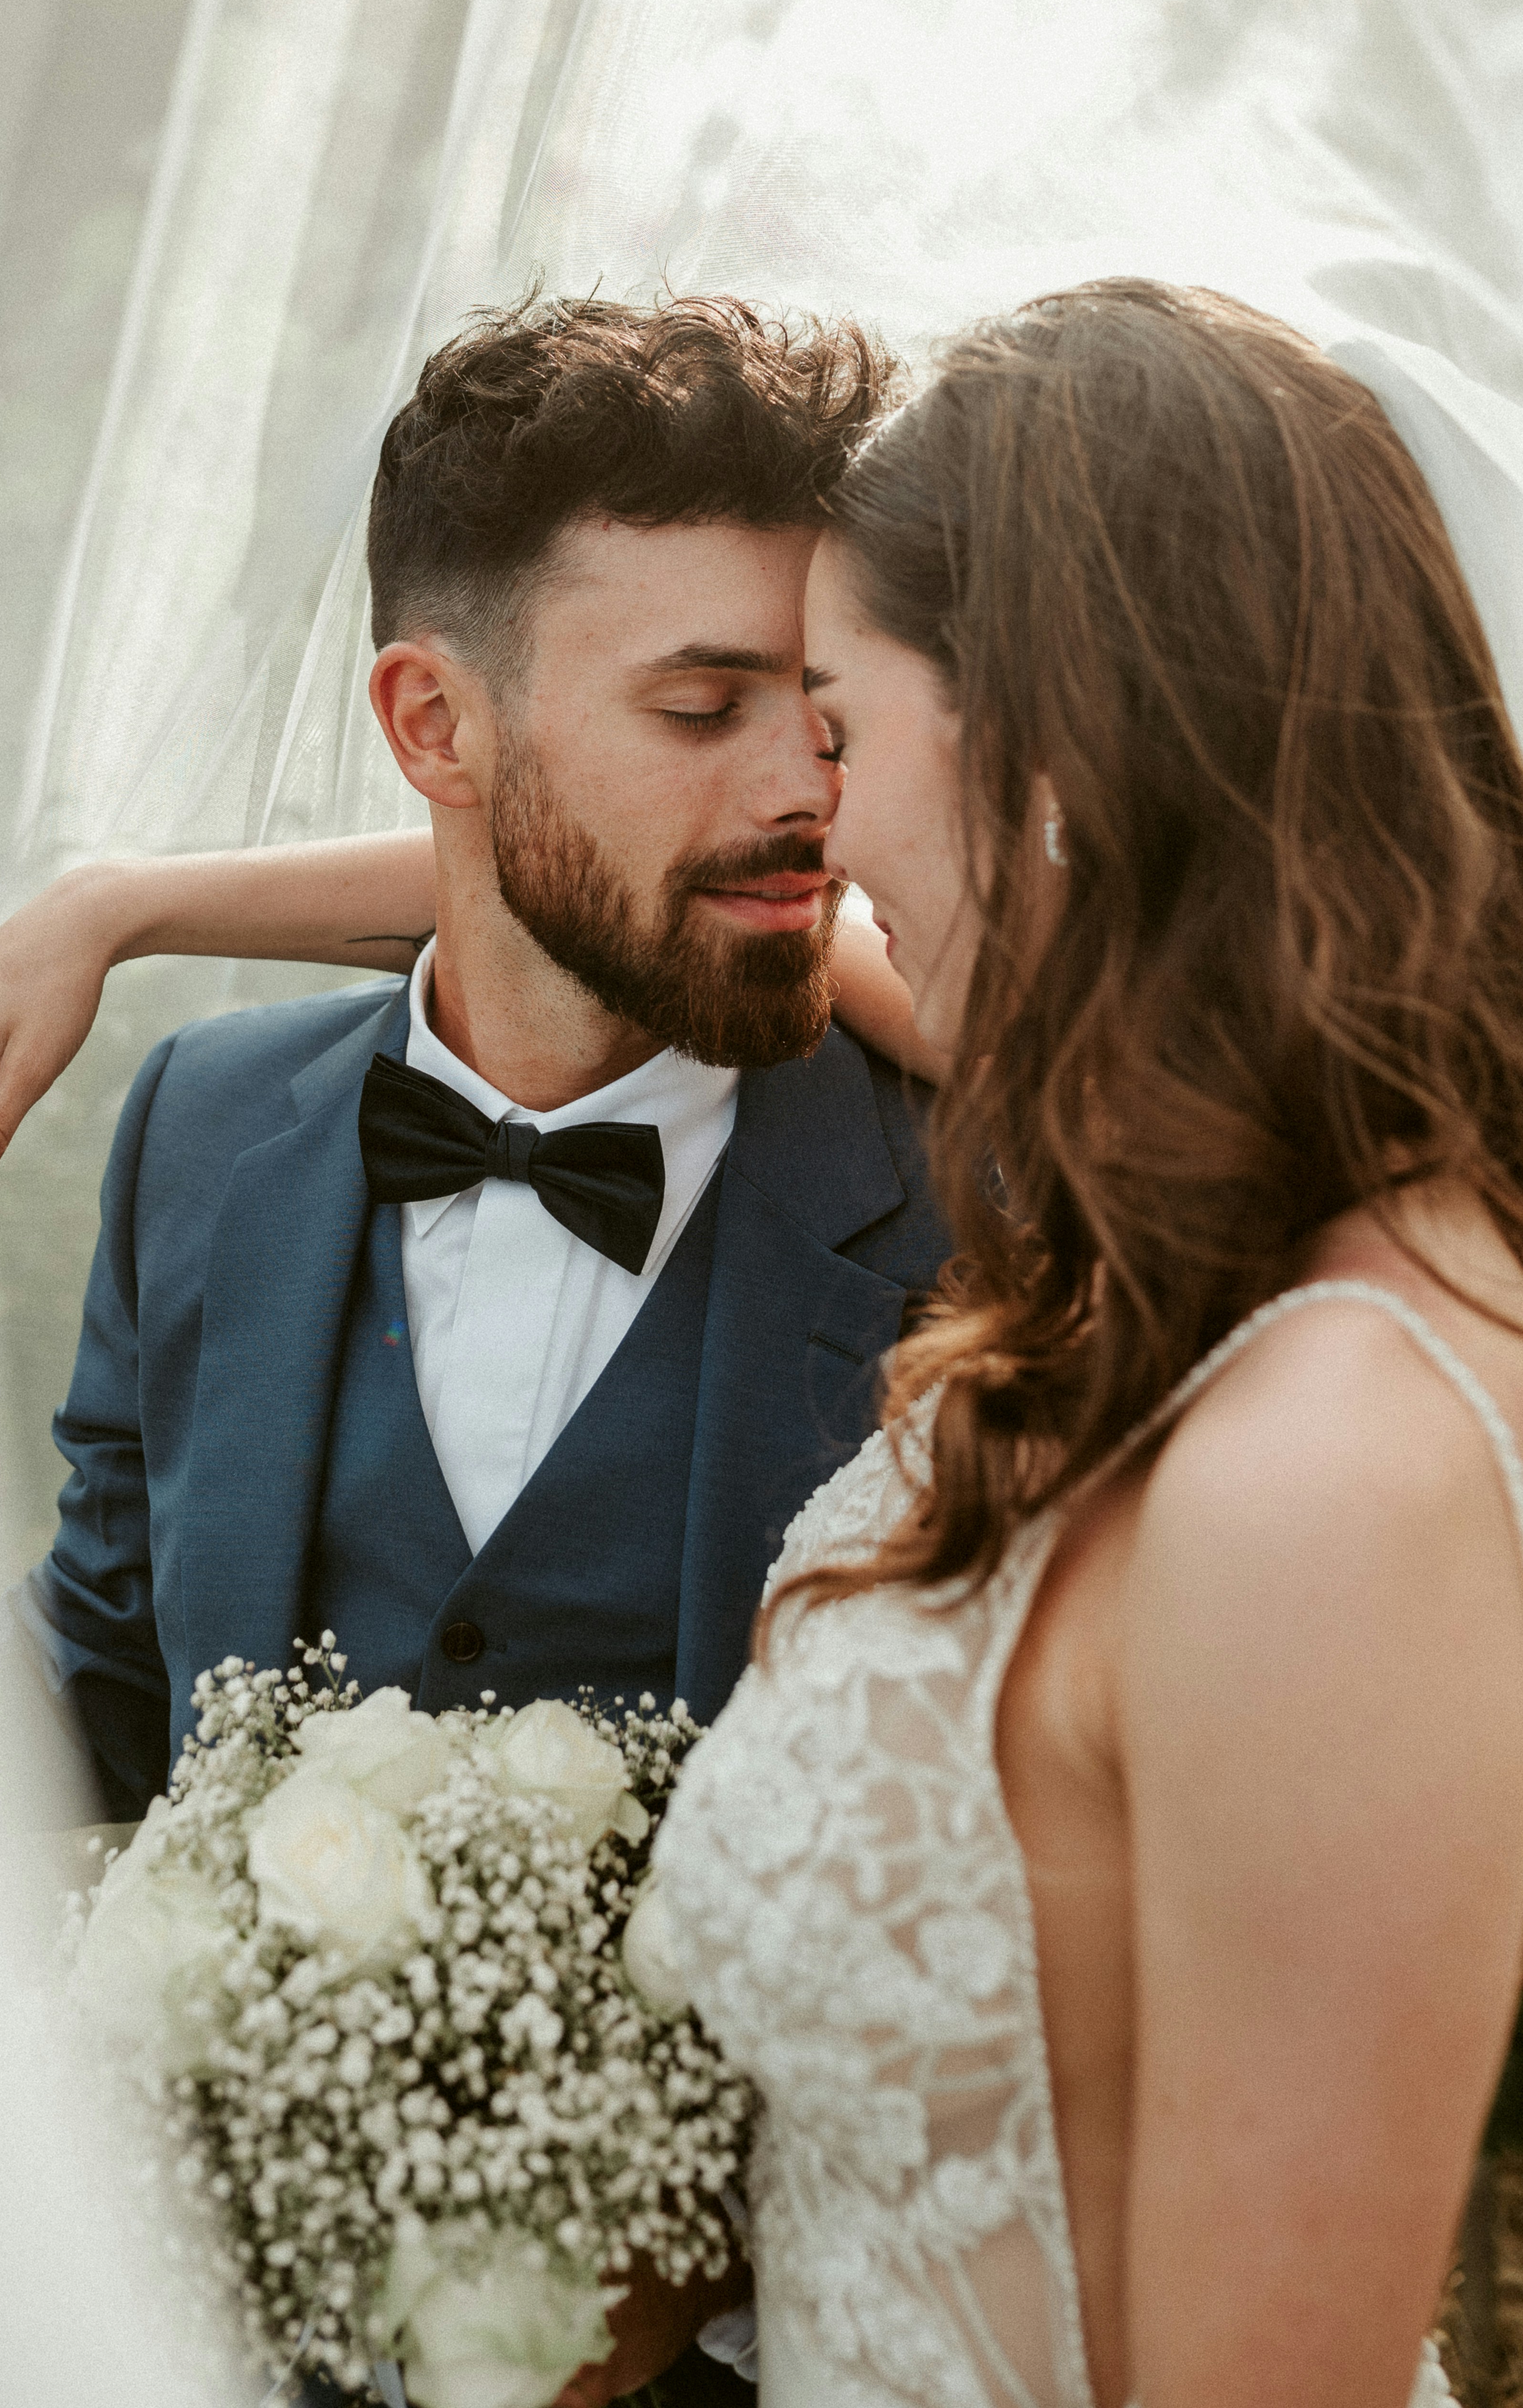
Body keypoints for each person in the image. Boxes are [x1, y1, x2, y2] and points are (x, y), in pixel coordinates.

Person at [0, 293, 952, 2404]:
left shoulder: (983, 1188)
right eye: (701, 708)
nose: (800, 798)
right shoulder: (206, 1134)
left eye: (823, 714)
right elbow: (111, 1662)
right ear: (435, 726)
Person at [638, 277, 1523, 2408]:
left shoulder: (1327, 1473)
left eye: (839, 734)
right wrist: (116, 906)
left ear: (1054, 749)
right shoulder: (1221, 1217)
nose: (819, 835)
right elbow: (634, 877)